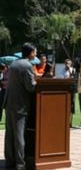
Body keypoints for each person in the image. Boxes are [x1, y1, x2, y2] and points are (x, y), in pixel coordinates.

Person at [3, 42, 37, 170]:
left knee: (10, 134)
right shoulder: (27, 65)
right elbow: (30, 87)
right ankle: (20, 163)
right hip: (20, 105)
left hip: (9, 102)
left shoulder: (14, 64)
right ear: (31, 52)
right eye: (35, 51)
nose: (36, 54)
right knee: (19, 135)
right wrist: (35, 80)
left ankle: (9, 161)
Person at [61, 59, 76, 127]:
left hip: (71, 89)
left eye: (69, 63)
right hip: (64, 89)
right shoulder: (62, 70)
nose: (67, 65)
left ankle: (70, 122)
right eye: (66, 63)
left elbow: (74, 79)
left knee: (71, 105)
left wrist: (70, 71)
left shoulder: (73, 70)